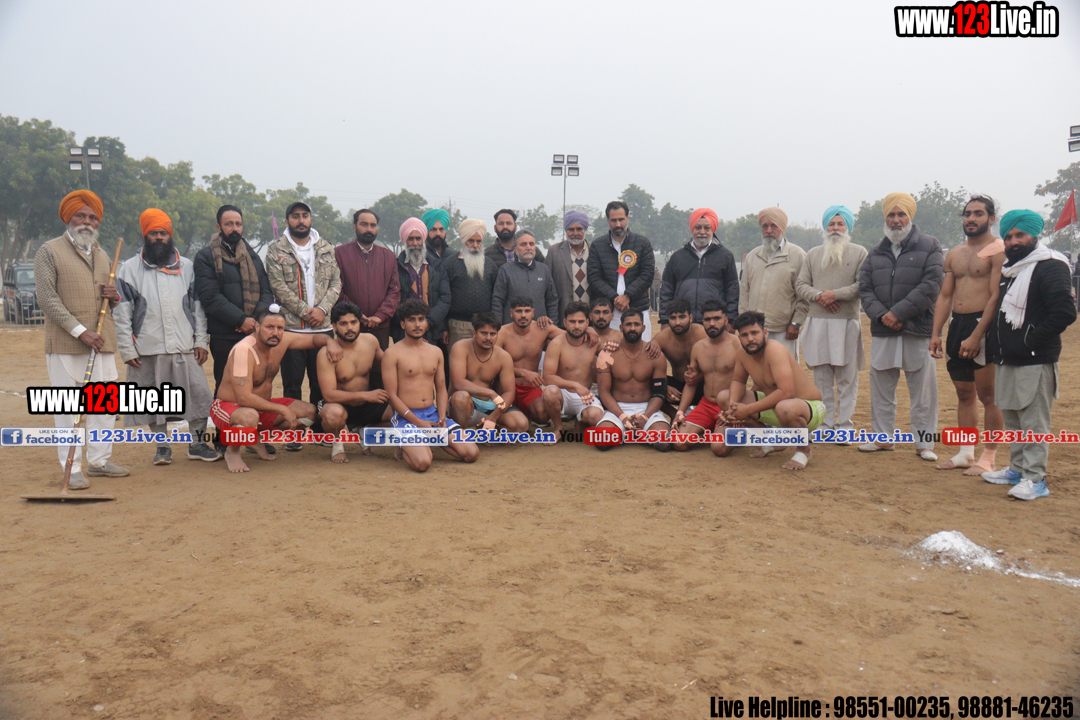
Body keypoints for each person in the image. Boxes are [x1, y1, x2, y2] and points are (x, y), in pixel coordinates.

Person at [33, 190, 128, 488]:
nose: (87, 222)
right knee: (67, 408)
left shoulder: (102, 254)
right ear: (69, 218)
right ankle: (72, 468)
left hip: (101, 341)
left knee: (105, 405)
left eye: (93, 218)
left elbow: (109, 302)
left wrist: (113, 297)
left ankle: (99, 461)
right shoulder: (49, 251)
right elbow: (47, 299)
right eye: (81, 216)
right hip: (66, 343)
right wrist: (79, 331)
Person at [981, 210, 1076, 500]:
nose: (1013, 241)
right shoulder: (1012, 269)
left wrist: (1028, 342)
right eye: (1008, 236)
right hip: (1009, 357)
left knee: (1034, 422)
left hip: (1035, 358)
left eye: (1019, 235)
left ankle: (1035, 478)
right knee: (1013, 419)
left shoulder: (1051, 265)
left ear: (1034, 235)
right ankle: (1018, 469)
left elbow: (1064, 313)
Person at [114, 208, 219, 465]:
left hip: (184, 346)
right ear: (145, 236)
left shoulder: (188, 267)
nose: (159, 237)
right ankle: (162, 448)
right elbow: (122, 314)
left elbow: (198, 309)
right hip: (147, 348)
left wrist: (201, 341)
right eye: (154, 233)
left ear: (170, 236)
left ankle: (197, 444)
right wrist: (127, 350)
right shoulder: (129, 269)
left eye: (163, 233)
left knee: (197, 395)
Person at [858, 192, 944, 461]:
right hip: (884, 330)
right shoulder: (875, 252)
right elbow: (865, 289)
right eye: (891, 215)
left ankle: (924, 444)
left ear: (910, 217)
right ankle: (883, 439)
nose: (896, 220)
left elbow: (931, 285)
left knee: (923, 393)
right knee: (881, 389)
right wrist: (883, 315)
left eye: (901, 214)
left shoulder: (930, 245)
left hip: (917, 329)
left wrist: (899, 313)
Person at [209, 309, 342, 473]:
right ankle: (232, 451)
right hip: (229, 406)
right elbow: (243, 398)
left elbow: (314, 339)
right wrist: (282, 409)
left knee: (309, 412)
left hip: (261, 408)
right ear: (257, 327)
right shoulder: (243, 350)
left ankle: (255, 437)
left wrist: (330, 342)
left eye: (280, 328)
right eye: (269, 327)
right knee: (249, 416)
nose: (275, 332)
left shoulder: (282, 341)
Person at [929, 195, 1005, 474]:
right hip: (957, 325)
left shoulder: (998, 250)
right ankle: (965, 453)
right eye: (967, 213)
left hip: (984, 325)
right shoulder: (955, 253)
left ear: (991, 218)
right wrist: (936, 332)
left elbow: (996, 296)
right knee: (964, 393)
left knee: (989, 396)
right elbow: (945, 296)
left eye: (978, 214)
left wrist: (977, 334)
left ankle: (989, 456)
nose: (971, 218)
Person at [265, 200, 341, 445]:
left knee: (321, 384)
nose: (301, 220)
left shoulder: (326, 248)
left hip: (323, 327)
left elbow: (336, 283)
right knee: (292, 383)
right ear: (287, 221)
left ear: (310, 219)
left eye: (305, 215)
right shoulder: (276, 250)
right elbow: (278, 286)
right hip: (292, 329)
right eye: (295, 216)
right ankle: (294, 432)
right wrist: (306, 312)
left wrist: (322, 309)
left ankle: (320, 430)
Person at [794, 205, 868, 437]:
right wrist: (820, 296)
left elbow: (862, 285)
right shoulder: (812, 255)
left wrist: (835, 295)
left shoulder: (860, 253)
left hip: (846, 323)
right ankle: (824, 425)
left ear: (848, 227)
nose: (835, 228)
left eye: (840, 224)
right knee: (822, 378)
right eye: (831, 224)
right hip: (817, 323)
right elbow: (801, 285)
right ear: (825, 227)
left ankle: (844, 426)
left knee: (847, 378)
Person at [381, 299, 480, 472]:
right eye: (411, 320)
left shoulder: (435, 352)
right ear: (403, 324)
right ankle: (405, 446)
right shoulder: (392, 354)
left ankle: (429, 439)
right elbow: (392, 397)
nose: (417, 324)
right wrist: (418, 422)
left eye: (421, 319)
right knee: (423, 463)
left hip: (432, 414)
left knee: (471, 453)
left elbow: (441, 389)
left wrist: (441, 417)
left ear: (426, 322)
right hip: (406, 418)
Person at [722, 311, 826, 471]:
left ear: (765, 333)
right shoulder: (742, 353)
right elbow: (738, 381)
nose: (750, 339)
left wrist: (747, 410)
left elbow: (787, 393)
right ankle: (770, 440)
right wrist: (733, 406)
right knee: (724, 397)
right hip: (776, 407)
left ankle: (803, 450)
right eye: (744, 335)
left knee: (785, 407)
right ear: (739, 337)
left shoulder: (774, 349)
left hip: (808, 409)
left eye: (754, 333)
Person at [194, 205, 274, 393]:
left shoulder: (252, 256)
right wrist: (240, 320)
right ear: (218, 227)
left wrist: (254, 321)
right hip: (224, 335)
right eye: (229, 224)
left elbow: (266, 291)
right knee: (227, 387)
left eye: (238, 224)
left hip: (254, 334)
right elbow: (210, 296)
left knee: (256, 386)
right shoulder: (206, 257)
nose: (234, 228)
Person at [315, 301, 391, 464]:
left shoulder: (370, 341)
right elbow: (329, 395)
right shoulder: (326, 354)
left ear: (359, 323)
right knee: (333, 414)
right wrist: (366, 395)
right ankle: (338, 445)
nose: (350, 328)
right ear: (334, 326)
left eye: (353, 322)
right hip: (340, 404)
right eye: (343, 324)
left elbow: (389, 363)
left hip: (366, 404)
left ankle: (363, 430)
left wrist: (413, 347)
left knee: (401, 410)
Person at [594, 310, 671, 451]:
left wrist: (645, 417)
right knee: (601, 440)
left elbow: (659, 393)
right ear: (621, 327)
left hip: (647, 408)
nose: (633, 328)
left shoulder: (655, 355)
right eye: (628, 324)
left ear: (643, 327)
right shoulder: (607, 354)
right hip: (617, 408)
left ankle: (633, 433)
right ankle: (631, 432)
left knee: (664, 440)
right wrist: (622, 417)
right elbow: (604, 392)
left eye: (637, 324)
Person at [672, 299, 741, 454]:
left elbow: (750, 379)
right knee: (678, 442)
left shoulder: (737, 345)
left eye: (717, 319)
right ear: (702, 321)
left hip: (730, 406)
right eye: (707, 319)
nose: (712, 324)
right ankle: (711, 429)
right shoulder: (698, 347)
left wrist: (739, 409)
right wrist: (680, 412)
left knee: (719, 449)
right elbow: (691, 383)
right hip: (706, 405)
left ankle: (740, 429)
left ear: (726, 320)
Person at [739, 207, 807, 360]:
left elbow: (804, 296)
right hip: (754, 330)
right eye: (765, 226)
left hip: (784, 331)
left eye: (774, 226)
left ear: (782, 227)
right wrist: (743, 323)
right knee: (757, 371)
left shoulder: (797, 256)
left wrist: (796, 323)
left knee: (784, 371)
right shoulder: (752, 256)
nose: (769, 230)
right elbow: (744, 293)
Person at [495, 296, 571, 424]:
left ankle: (523, 415)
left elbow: (571, 336)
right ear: (511, 313)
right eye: (518, 311)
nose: (523, 315)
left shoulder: (543, 328)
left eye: (527, 311)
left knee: (542, 415)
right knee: (505, 414)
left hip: (529, 389)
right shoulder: (501, 333)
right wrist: (523, 373)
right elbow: (493, 365)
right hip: (506, 387)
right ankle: (510, 419)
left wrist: (589, 330)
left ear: (533, 313)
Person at [448, 312, 529, 432]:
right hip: (465, 404)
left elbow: (509, 392)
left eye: (493, 334)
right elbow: (458, 382)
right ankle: (461, 436)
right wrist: (490, 393)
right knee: (460, 397)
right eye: (484, 333)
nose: (488, 338)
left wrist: (494, 417)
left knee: (521, 424)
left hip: (490, 405)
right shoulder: (460, 348)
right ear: (474, 333)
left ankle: (487, 430)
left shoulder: (504, 356)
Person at [588, 201, 656, 340]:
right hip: (609, 313)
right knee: (610, 351)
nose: (618, 224)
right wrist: (615, 299)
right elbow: (594, 278)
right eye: (614, 220)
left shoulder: (642, 243)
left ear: (628, 219)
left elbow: (647, 274)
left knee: (641, 350)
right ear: (608, 220)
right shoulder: (597, 246)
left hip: (637, 309)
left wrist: (628, 296)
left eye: (621, 219)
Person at [660, 207, 739, 325]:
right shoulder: (677, 257)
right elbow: (666, 291)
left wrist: (731, 320)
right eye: (698, 228)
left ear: (713, 230)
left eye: (707, 228)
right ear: (692, 229)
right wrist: (665, 320)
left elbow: (732, 291)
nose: (702, 232)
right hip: (682, 323)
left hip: (713, 324)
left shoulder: (725, 256)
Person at [334, 209, 400, 349]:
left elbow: (394, 290)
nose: (369, 229)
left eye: (373, 225)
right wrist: (357, 314)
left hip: (380, 326)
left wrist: (380, 315)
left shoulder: (388, 256)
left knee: (380, 362)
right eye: (364, 224)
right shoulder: (339, 254)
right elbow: (336, 289)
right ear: (355, 226)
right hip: (350, 325)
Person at [540, 301, 607, 440]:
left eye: (581, 322)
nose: (577, 326)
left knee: (595, 417)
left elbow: (611, 361)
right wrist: (575, 385)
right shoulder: (556, 344)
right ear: (565, 322)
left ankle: (580, 420)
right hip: (562, 394)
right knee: (549, 392)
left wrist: (613, 347)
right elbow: (547, 377)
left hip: (585, 395)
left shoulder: (595, 342)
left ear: (587, 322)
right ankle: (559, 428)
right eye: (572, 321)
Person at [393, 218, 450, 344]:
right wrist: (407, 323)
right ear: (404, 240)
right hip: (403, 331)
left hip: (431, 330)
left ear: (423, 239)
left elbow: (445, 298)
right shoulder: (395, 266)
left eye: (418, 239)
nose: (415, 243)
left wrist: (428, 322)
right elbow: (392, 297)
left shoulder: (437, 266)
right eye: (410, 239)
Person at [445, 218, 498, 347]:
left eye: (478, 241)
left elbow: (496, 296)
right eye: (471, 241)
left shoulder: (490, 265)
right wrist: (443, 327)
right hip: (457, 327)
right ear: (463, 240)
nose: (475, 245)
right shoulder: (450, 263)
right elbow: (443, 296)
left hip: (485, 327)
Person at [491, 230, 559, 326]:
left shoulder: (544, 270)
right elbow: (497, 302)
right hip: (512, 330)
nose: (528, 247)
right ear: (515, 249)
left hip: (539, 329)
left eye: (531, 244)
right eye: (523, 244)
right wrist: (497, 328)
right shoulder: (505, 270)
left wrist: (553, 326)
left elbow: (552, 301)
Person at [653, 298, 708, 412]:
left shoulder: (702, 334)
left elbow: (718, 365)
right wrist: (665, 386)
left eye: (682, 317)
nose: (677, 322)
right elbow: (646, 367)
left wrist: (700, 376)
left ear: (690, 318)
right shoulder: (662, 338)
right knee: (649, 385)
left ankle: (704, 414)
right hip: (677, 389)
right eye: (673, 318)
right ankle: (674, 415)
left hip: (702, 386)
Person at [547, 210, 593, 322]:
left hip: (591, 318)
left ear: (585, 229)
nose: (575, 233)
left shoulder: (594, 250)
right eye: (571, 229)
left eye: (579, 229)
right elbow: (548, 285)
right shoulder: (554, 252)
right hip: (564, 317)